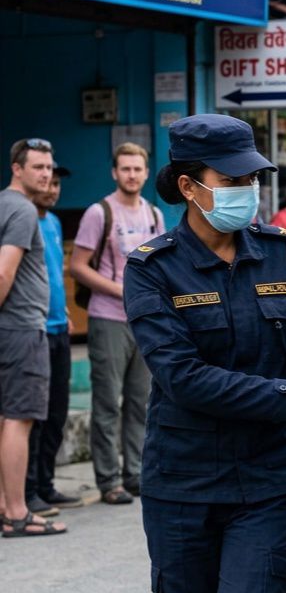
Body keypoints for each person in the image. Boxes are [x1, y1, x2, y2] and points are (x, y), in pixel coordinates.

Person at [124, 114, 286, 593]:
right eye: (232, 181)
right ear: (189, 187)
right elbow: (182, 377)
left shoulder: (280, 253)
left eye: (252, 180)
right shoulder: (151, 269)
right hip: (183, 485)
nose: (248, 192)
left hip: (267, 480)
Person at [68, 142, 165, 505]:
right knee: (107, 402)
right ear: (114, 172)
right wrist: (120, 290)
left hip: (144, 320)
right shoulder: (99, 213)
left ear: (145, 172)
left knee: (141, 401)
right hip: (107, 319)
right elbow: (77, 266)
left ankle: (136, 473)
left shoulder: (153, 214)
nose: (132, 175)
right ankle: (109, 479)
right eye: (125, 169)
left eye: (137, 169)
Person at [0, 139, 64, 538]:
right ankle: (17, 512)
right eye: (38, 167)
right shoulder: (22, 209)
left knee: (5, 420)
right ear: (17, 169)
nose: (46, 174)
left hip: (12, 330)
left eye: (49, 167)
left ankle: (5, 506)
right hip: (22, 329)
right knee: (18, 421)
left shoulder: (3, 203)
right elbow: (5, 273)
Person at [26, 165, 83, 516]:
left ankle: (45, 485)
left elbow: (52, 275)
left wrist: (65, 311)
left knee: (57, 413)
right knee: (33, 416)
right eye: (46, 178)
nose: (52, 186)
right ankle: (27, 489)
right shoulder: (20, 219)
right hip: (34, 331)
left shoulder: (54, 222)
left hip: (61, 327)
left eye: (58, 181)